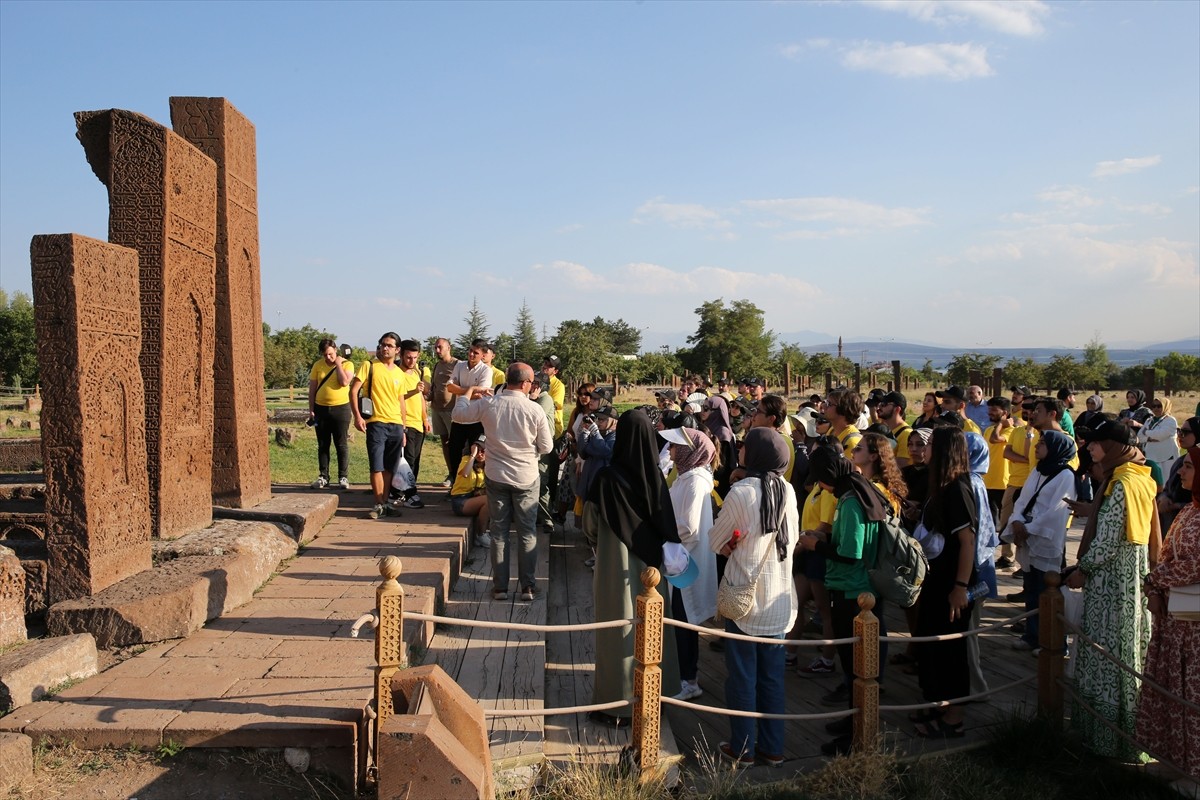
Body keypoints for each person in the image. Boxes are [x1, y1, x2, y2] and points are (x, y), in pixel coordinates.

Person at [1065, 415, 1159, 761]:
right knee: (1125, 651)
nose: (1089, 448)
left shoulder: (1121, 483)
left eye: (1096, 443)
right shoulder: (1139, 477)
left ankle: (1109, 741)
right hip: (1129, 580)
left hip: (1111, 586)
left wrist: (1082, 570)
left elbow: (1107, 541)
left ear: (1113, 446)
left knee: (1108, 655)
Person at [585, 409, 681, 727]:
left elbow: (590, 526)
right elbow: (668, 526)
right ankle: (656, 699)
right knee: (654, 631)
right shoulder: (656, 479)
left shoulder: (606, 479)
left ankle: (617, 705)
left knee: (618, 633)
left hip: (615, 569)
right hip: (652, 572)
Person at [709, 427, 798, 767]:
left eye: (746, 445)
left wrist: (731, 544)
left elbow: (716, 540)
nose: (741, 448)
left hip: (745, 599)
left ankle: (742, 747)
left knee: (742, 677)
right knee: (772, 678)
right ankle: (773, 748)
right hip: (779, 600)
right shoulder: (788, 489)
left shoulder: (742, 491)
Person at [799, 449, 890, 756]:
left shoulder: (850, 502)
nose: (821, 487)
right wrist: (825, 540)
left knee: (856, 668)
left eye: (821, 481)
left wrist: (815, 545)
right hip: (859, 589)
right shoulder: (857, 493)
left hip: (853, 593)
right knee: (855, 668)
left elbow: (850, 553)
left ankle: (857, 735)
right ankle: (854, 719)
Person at [452, 362, 553, 602]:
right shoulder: (534, 409)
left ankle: (500, 588)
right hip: (526, 477)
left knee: (499, 532)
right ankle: (528, 587)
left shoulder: (489, 403)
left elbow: (458, 414)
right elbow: (546, 447)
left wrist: (467, 392)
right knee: (527, 532)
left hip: (496, 475)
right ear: (526, 383)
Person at [1137, 445, 1200, 780]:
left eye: (1188, 466)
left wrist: (1154, 579)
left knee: (1193, 694)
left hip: (1195, 628)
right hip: (1175, 620)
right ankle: (1176, 760)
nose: (1181, 471)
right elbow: (1168, 555)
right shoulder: (1190, 509)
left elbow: (1194, 564)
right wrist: (1155, 589)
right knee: (1174, 691)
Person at [912, 426, 978, 738]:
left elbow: (967, 541)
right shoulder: (940, 485)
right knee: (931, 642)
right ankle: (939, 702)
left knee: (950, 647)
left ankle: (955, 716)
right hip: (936, 579)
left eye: (930, 445)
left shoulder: (958, 489)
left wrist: (960, 587)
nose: (924, 450)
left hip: (952, 583)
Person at [1001, 430, 1076, 650]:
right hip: (1026, 535)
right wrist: (1016, 520)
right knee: (1031, 589)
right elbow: (1023, 500)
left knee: (1048, 590)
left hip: (1045, 538)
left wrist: (1028, 528)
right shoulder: (1038, 469)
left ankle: (1053, 642)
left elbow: (1057, 511)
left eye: (1042, 443)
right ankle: (1032, 635)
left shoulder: (1066, 476)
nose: (1036, 446)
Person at [662, 424, 719, 702]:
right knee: (679, 620)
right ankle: (681, 675)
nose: (670, 450)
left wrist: (663, 532)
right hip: (680, 559)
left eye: (674, 446)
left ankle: (689, 680)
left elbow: (689, 528)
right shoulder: (686, 477)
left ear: (688, 451)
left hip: (687, 561)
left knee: (685, 623)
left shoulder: (695, 481)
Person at [350, 332, 407, 520]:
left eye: (389, 345)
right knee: (376, 466)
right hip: (376, 423)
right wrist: (357, 416)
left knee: (390, 468)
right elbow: (354, 390)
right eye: (383, 344)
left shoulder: (399, 373)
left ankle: (385, 503)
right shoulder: (369, 366)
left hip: (396, 425)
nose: (385, 348)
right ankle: (379, 503)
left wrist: (404, 428)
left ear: (397, 350)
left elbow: (401, 401)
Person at [307, 338, 354, 490]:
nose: (328, 357)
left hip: (341, 409)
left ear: (336, 350)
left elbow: (344, 382)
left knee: (341, 444)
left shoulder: (347, 364)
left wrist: (338, 364)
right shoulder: (318, 365)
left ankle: (343, 477)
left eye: (331, 354)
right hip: (321, 409)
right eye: (325, 355)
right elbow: (312, 388)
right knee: (323, 444)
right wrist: (311, 408)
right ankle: (323, 476)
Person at [445, 339, 494, 470]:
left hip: (476, 420)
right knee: (454, 453)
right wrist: (471, 390)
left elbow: (481, 394)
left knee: (476, 455)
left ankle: (475, 481)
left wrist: (460, 391)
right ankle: (455, 481)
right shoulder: (460, 365)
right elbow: (449, 387)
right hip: (459, 419)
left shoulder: (486, 371)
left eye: (475, 353)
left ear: (483, 355)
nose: (471, 354)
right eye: (470, 351)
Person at [396, 339, 430, 509]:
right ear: (401, 355)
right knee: (408, 459)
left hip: (418, 423)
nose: (412, 361)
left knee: (415, 459)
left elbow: (421, 398)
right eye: (409, 357)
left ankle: (407, 490)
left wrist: (425, 419)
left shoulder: (416, 373)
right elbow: (399, 397)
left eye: (415, 358)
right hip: (406, 422)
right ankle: (409, 493)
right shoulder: (397, 373)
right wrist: (414, 390)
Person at [1159, 417, 1200, 531]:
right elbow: (1167, 488)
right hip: (1173, 524)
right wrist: (1164, 497)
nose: (1180, 435)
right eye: (1179, 431)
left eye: (1185, 432)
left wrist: (1177, 506)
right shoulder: (1180, 462)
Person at [429, 338, 459, 486]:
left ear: (449, 347)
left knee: (455, 444)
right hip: (437, 409)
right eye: (435, 348)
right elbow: (435, 386)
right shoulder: (437, 365)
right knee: (444, 443)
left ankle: (459, 475)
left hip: (451, 411)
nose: (437, 350)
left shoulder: (457, 365)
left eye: (440, 347)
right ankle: (451, 473)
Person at [449, 436, 490, 543]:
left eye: (483, 451)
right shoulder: (467, 460)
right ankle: (481, 534)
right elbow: (465, 474)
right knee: (489, 500)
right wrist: (472, 455)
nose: (480, 454)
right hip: (460, 500)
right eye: (478, 450)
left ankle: (486, 532)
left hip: (473, 499)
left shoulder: (488, 465)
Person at [1140, 397, 1180, 474]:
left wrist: (1146, 432)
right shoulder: (1149, 420)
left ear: (1165, 406)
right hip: (1151, 455)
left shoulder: (1170, 420)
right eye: (1154, 406)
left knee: (1168, 478)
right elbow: (1140, 437)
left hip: (1167, 457)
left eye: (1159, 406)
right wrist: (1149, 439)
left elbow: (1160, 435)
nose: (1156, 408)